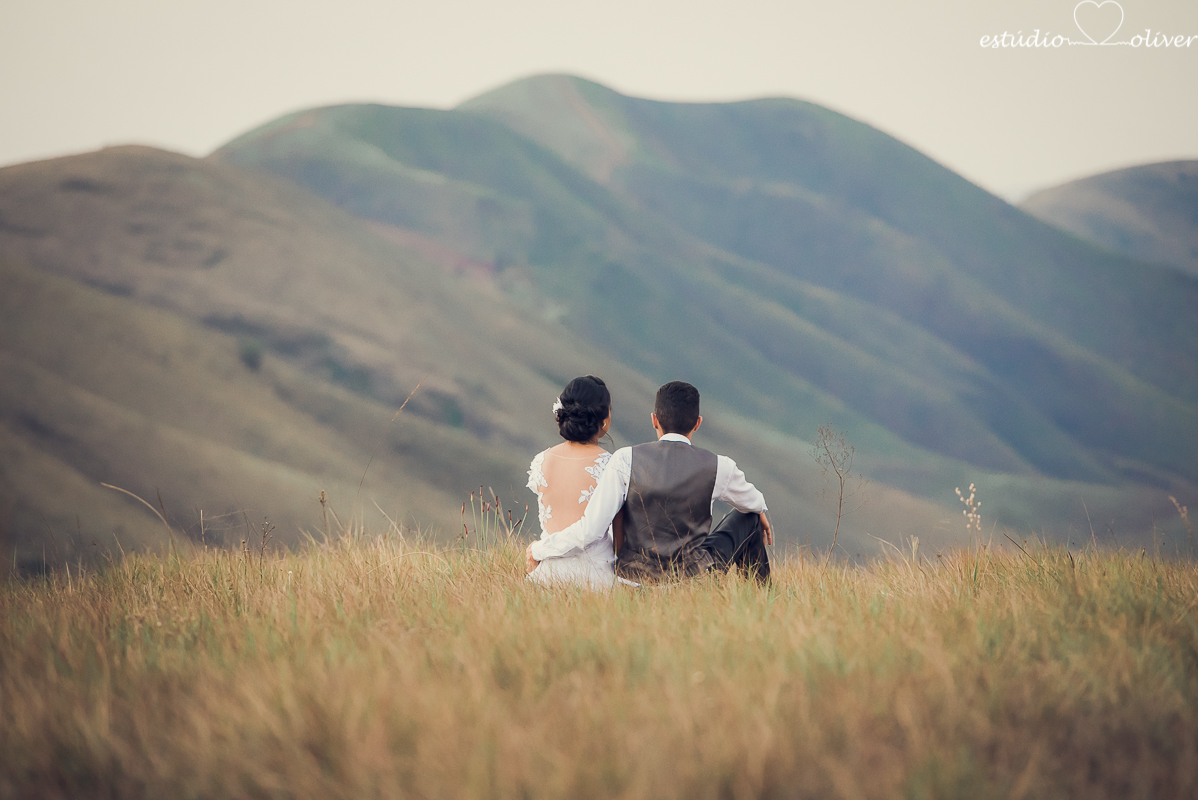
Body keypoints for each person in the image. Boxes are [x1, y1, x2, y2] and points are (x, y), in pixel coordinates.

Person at [527, 381, 772, 584]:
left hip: (635, 577)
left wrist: (540, 549)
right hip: (692, 578)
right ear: (697, 423)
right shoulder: (719, 466)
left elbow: (598, 530)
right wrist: (758, 511)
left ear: (654, 420)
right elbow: (754, 501)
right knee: (748, 517)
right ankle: (760, 599)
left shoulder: (625, 459)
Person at [524, 376, 618, 589]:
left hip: (546, 576)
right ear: (604, 419)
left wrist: (538, 549)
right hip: (594, 577)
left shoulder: (542, 460)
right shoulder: (610, 465)